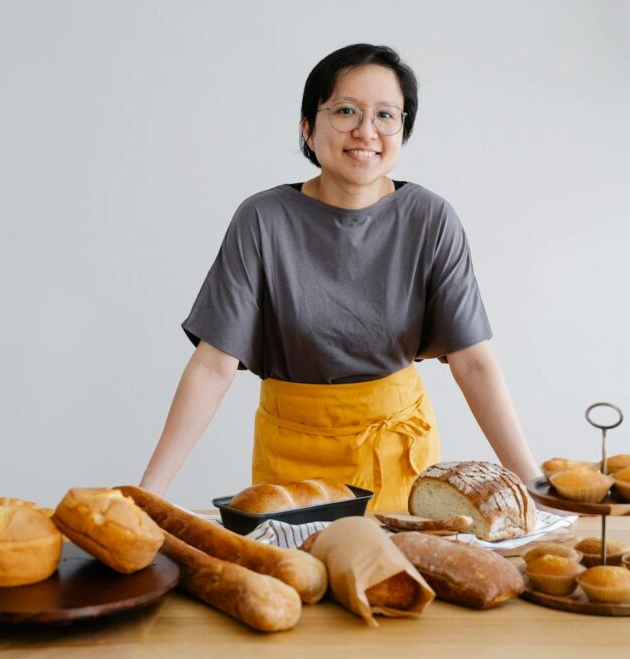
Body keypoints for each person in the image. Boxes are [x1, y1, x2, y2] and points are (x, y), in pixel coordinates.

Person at [139, 43, 539, 511]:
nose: (366, 131)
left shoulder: (430, 218)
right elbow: (213, 366)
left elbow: (473, 361)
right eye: (346, 110)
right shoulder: (263, 219)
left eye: (386, 115)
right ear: (308, 128)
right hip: (290, 463)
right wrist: (150, 494)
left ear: (402, 129)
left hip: (398, 464)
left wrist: (532, 483)